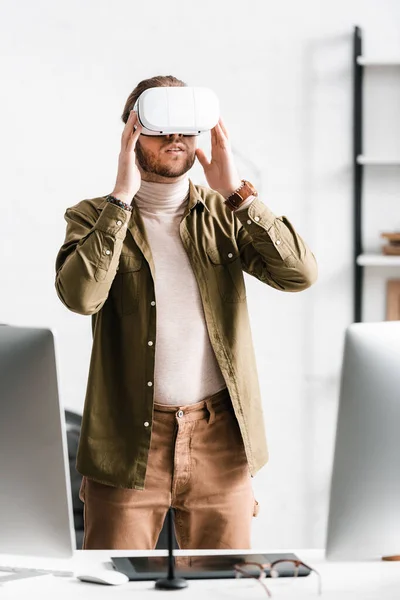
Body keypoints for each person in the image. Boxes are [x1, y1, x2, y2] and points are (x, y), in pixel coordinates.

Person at [54, 75, 318, 550]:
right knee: (114, 584)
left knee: (223, 586)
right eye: (160, 125)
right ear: (132, 131)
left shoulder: (225, 213)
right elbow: (81, 296)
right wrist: (121, 198)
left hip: (221, 438)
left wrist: (238, 192)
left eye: (187, 126)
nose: (176, 137)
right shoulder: (93, 216)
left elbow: (299, 273)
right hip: (127, 440)